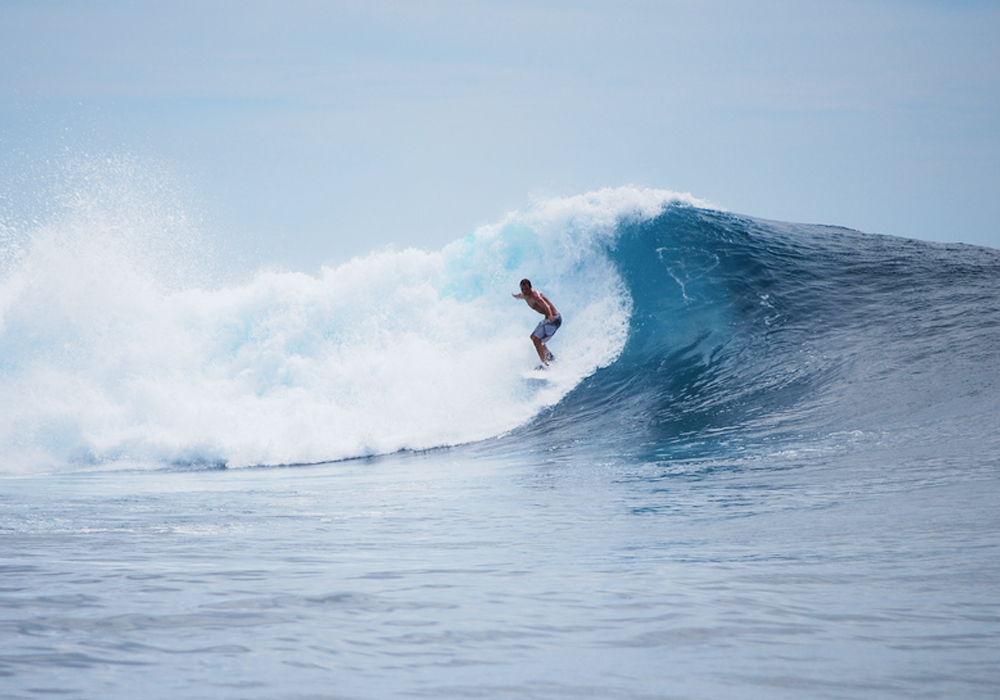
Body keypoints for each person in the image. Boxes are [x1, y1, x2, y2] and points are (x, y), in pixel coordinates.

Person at [512, 278, 562, 367]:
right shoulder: (524, 295)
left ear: (531, 287)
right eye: (523, 289)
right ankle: (549, 356)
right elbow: (520, 296)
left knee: (536, 339)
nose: (525, 291)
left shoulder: (535, 296)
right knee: (533, 338)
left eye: (527, 289)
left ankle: (545, 364)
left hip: (554, 319)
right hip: (548, 319)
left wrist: (550, 316)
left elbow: (546, 306)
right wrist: (516, 296)